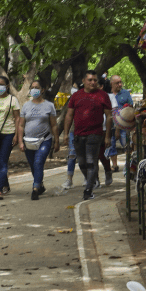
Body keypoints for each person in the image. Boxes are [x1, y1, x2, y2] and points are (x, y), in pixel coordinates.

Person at [62, 70, 113, 200]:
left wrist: (107, 136)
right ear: (84, 81)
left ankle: (88, 190)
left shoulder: (103, 95)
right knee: (82, 163)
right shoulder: (76, 96)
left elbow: (109, 116)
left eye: (95, 80)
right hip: (78, 134)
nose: (93, 82)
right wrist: (66, 133)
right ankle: (93, 180)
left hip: (95, 134)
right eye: (90, 80)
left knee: (91, 161)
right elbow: (69, 115)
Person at [18, 81, 60, 200]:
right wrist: (20, 141)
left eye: (37, 87)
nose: (34, 90)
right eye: (32, 88)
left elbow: (54, 125)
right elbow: (21, 125)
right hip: (28, 141)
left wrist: (56, 141)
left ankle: (35, 188)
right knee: (33, 165)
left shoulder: (49, 106)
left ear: (42, 90)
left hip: (44, 140)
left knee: (38, 162)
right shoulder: (26, 106)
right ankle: (40, 185)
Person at [108, 75, 133, 172]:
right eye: (117, 83)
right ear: (111, 84)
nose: (120, 84)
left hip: (123, 125)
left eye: (120, 82)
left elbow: (130, 107)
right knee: (111, 144)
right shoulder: (107, 94)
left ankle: (129, 164)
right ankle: (114, 165)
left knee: (127, 144)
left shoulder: (125, 93)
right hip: (110, 124)